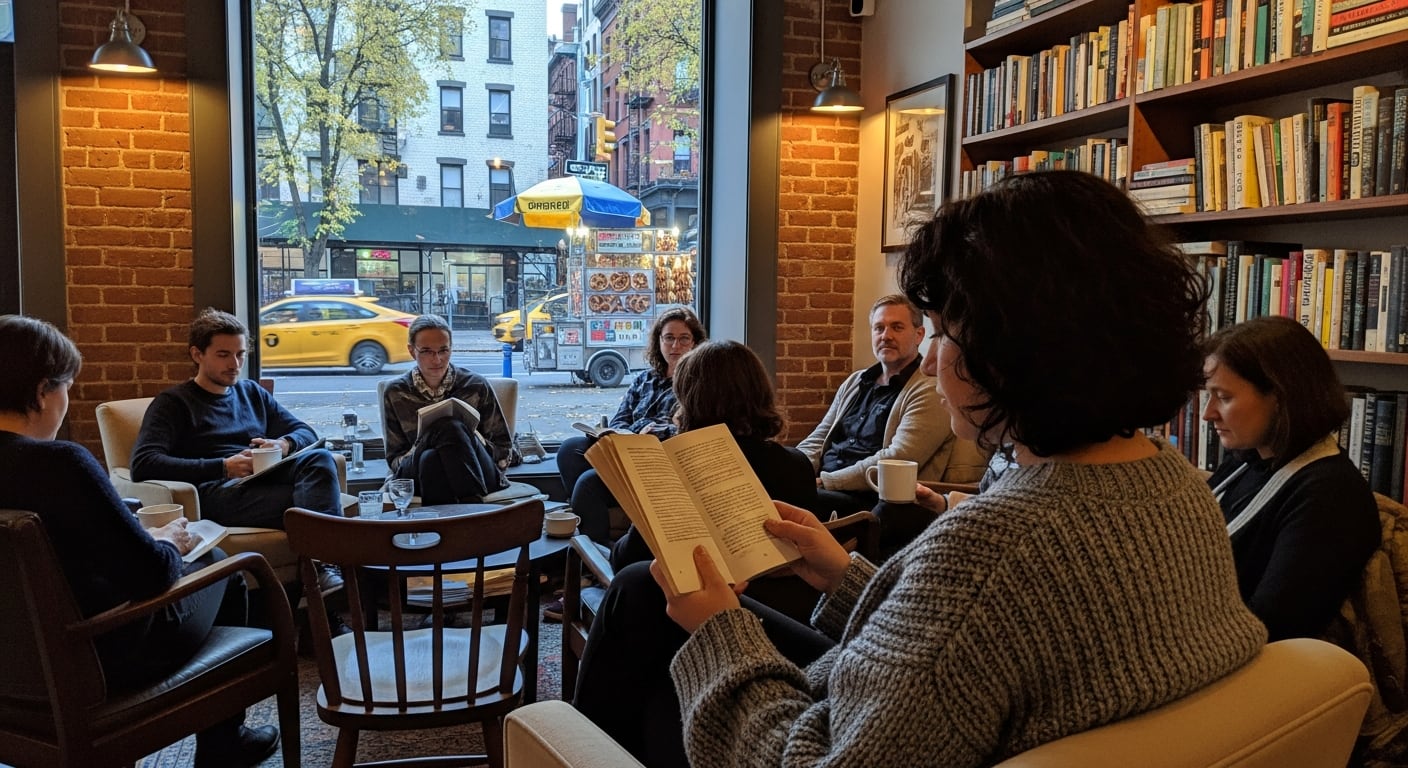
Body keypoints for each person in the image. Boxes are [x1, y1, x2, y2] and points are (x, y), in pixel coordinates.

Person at [571, 170, 1266, 767]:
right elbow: (964, 652)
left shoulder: (994, 549)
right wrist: (842, 576)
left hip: (813, 737)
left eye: (941, 332)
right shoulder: (1178, 485)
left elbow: (824, 751)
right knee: (639, 592)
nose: (930, 360)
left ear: (1017, 353)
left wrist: (720, 628)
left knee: (642, 615)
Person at [0, 315, 278, 768]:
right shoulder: (60, 465)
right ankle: (224, 743)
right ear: (41, 391)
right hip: (99, 660)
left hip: (14, 668)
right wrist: (168, 539)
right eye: (67, 387)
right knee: (227, 564)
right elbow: (151, 573)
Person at [131, 308, 344, 586]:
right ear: (197, 354)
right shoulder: (174, 403)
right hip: (217, 492)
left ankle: (317, 578)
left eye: (240, 354)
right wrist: (224, 467)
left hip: (260, 481)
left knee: (319, 459)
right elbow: (143, 463)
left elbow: (305, 431)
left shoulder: (251, 392)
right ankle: (324, 578)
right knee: (313, 502)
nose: (235, 363)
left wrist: (281, 444)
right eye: (223, 355)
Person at [1203, 315, 1379, 641]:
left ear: (1282, 397)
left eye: (1224, 397)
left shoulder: (1330, 497)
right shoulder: (1249, 459)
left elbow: (1270, 627)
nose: (1208, 413)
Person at [608, 340, 818, 570]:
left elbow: (627, 558)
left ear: (690, 403)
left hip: (696, 599)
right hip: (777, 600)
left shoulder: (673, 473)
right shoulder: (798, 465)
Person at [796, 294, 988, 515]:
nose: (886, 336)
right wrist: (795, 470)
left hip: (873, 499)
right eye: (879, 328)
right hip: (825, 485)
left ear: (919, 335)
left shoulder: (929, 388)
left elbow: (898, 457)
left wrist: (826, 482)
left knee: (791, 500)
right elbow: (820, 437)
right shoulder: (857, 381)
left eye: (896, 327)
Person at [556, 306, 707, 544]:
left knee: (588, 483)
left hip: (658, 463)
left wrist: (653, 432)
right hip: (625, 450)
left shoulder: (698, 384)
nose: (675, 346)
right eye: (669, 338)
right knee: (569, 449)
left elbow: (692, 431)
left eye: (683, 339)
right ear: (659, 341)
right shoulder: (644, 378)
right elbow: (620, 419)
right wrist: (622, 432)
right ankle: (595, 510)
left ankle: (598, 551)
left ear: (695, 343)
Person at [382, 314, 513, 504]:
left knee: (435, 453)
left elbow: (503, 449)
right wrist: (429, 440)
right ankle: (473, 510)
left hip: (480, 471)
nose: (437, 359)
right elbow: (394, 460)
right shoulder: (396, 392)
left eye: (443, 350)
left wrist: (469, 438)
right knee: (441, 436)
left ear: (451, 349)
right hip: (413, 473)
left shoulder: (475, 385)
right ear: (412, 351)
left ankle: (440, 527)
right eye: (427, 351)